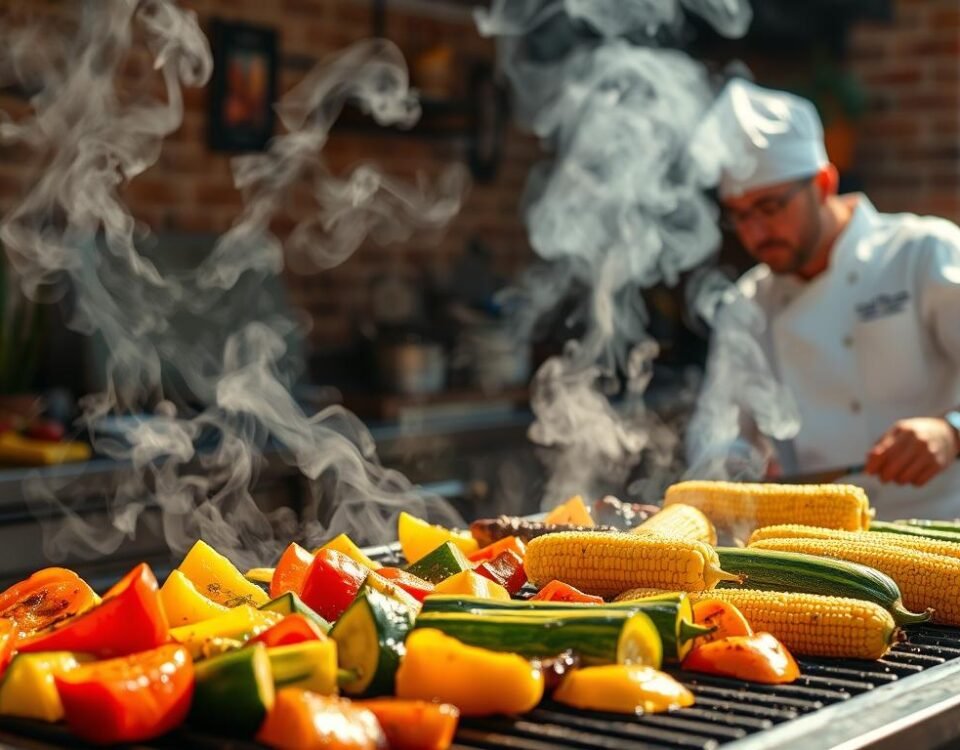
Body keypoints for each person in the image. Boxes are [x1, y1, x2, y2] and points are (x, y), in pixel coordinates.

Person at [690, 78, 960, 520]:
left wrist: (951, 432)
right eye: (740, 216)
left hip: (948, 527)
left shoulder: (923, 253)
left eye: (771, 207)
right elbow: (718, 430)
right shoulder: (748, 304)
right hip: (820, 548)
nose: (755, 233)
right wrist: (736, 466)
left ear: (822, 183)